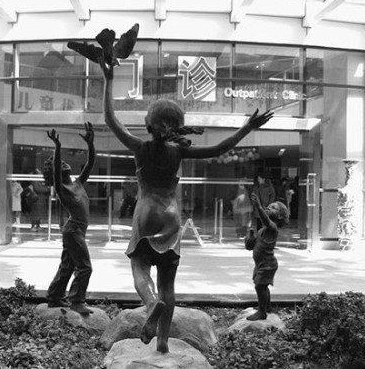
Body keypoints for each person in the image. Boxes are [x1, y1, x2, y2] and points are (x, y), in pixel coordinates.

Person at [100, 54, 273, 353]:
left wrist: (109, 78)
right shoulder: (179, 153)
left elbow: (110, 119)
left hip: (145, 213)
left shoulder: (140, 147)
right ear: (177, 126)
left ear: (148, 123)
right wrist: (247, 127)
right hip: (171, 217)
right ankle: (164, 342)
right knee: (169, 282)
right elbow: (220, 148)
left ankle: (151, 303)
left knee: (140, 268)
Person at [44, 123, 95, 315]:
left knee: (67, 265)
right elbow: (57, 169)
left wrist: (91, 144)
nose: (64, 164)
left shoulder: (78, 183)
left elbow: (90, 164)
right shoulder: (62, 189)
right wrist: (57, 148)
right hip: (73, 230)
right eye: (59, 164)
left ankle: (54, 295)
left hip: (77, 230)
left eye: (64, 162)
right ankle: (76, 300)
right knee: (85, 268)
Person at [245, 193, 289, 321]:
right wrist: (251, 238)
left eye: (273, 208)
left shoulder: (272, 228)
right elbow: (250, 246)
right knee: (262, 285)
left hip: (267, 264)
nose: (269, 208)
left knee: (260, 286)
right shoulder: (262, 230)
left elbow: (265, 219)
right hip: (261, 263)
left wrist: (259, 206)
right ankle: (267, 306)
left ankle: (262, 311)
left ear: (280, 216)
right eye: (268, 207)